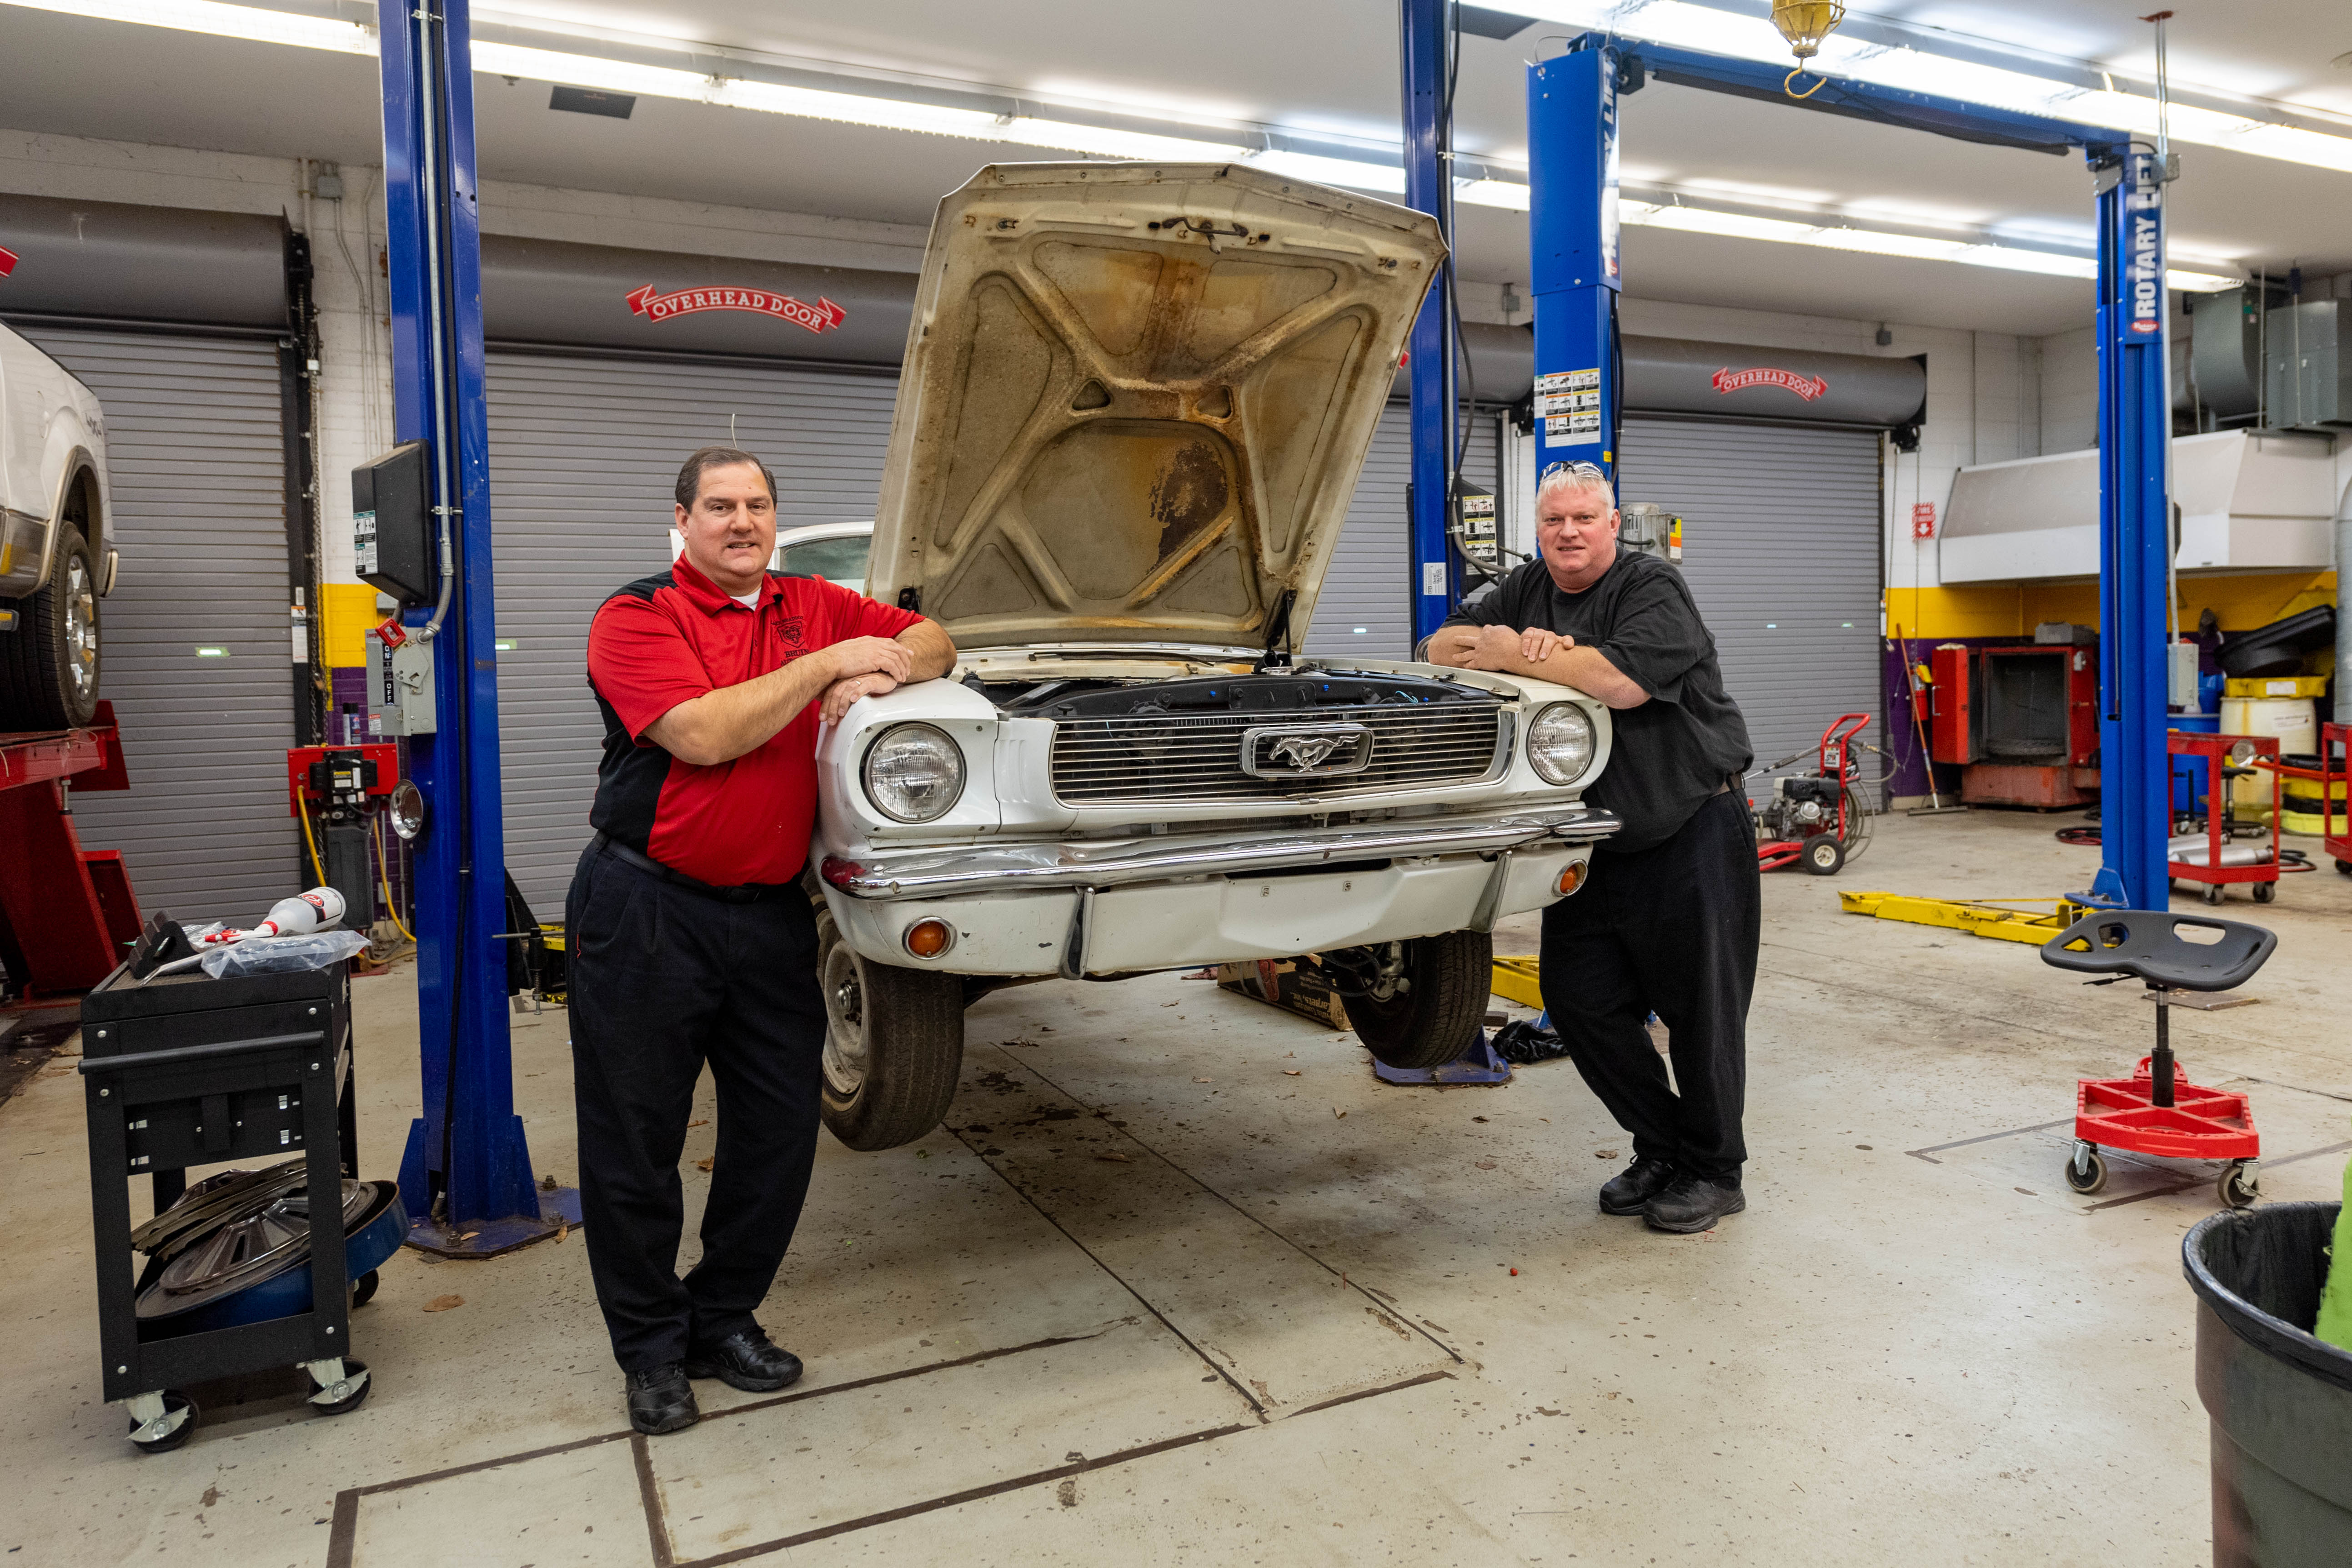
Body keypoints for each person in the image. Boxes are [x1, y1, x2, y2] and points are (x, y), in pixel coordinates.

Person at [571, 445, 956, 1433]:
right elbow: (703, 735)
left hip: (773, 913)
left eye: (756, 505)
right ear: (682, 520)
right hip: (647, 909)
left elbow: (937, 633)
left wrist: (892, 669)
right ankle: (652, 1351)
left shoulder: (809, 599)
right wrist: (829, 666)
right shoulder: (636, 616)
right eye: (719, 506)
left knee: (777, 1134)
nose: (740, 521)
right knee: (637, 1141)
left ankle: (722, 1317)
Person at [1424, 461, 1758, 1234]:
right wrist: (1506, 641)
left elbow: (1620, 684)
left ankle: (1715, 1170)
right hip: (1592, 836)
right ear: (1536, 532)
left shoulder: (1651, 589)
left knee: (1700, 1013)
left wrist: (1518, 654)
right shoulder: (1525, 589)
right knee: (1577, 1003)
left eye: (1583, 519)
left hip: (1691, 827)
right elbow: (1438, 644)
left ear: (1612, 524)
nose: (1567, 533)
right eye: (1552, 523)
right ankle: (1662, 1147)